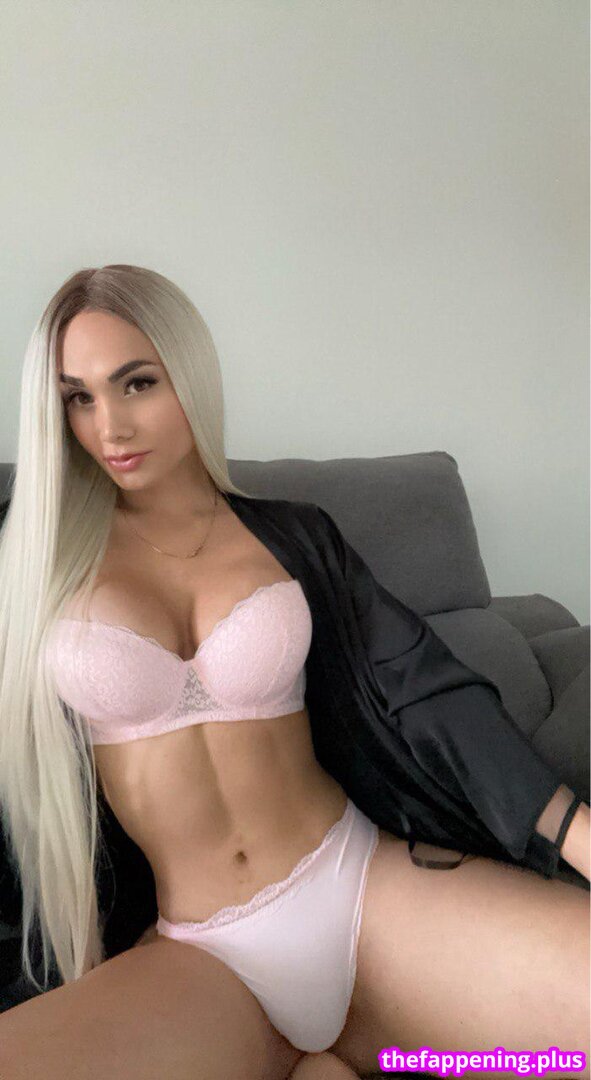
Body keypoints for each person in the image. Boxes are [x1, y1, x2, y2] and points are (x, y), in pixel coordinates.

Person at [0, 264, 588, 1080]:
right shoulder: (29, 559)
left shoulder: (296, 536)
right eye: (78, 397)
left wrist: (580, 836)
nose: (111, 426)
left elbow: (427, 694)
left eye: (137, 383)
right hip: (198, 957)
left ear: (188, 373)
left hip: (364, 894)